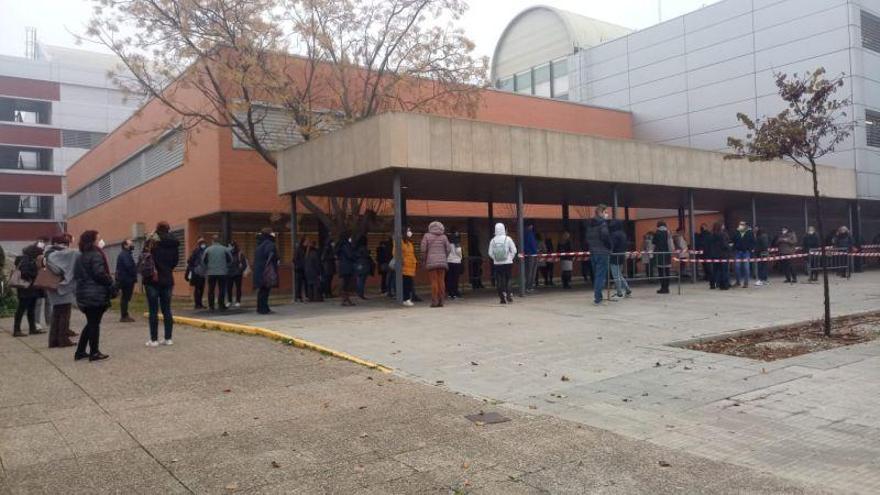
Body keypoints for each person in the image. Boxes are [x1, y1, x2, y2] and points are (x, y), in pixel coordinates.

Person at [73, 231, 112, 361]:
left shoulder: (80, 256)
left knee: (91, 323)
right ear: (93, 240)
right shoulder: (96, 255)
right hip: (95, 294)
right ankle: (94, 352)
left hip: (83, 293)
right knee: (94, 324)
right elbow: (99, 274)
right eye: (98, 237)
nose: (100, 239)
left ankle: (80, 351)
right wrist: (110, 280)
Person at [143, 222, 180, 346]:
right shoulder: (174, 243)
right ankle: (168, 338)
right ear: (168, 230)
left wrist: (151, 235)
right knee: (167, 310)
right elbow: (175, 261)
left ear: (157, 229)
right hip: (167, 279)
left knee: (153, 310)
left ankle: (154, 340)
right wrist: (167, 269)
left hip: (152, 280)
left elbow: (144, 257)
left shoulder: (151, 241)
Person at [44, 234, 79, 347]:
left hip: (53, 286)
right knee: (64, 314)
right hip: (61, 287)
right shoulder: (56, 254)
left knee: (57, 314)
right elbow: (75, 254)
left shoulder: (48, 252)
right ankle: (63, 340)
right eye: (64, 243)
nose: (65, 246)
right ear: (56, 243)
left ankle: (53, 340)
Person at [12, 244, 43, 337]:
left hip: (29, 289)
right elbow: (25, 272)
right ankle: (17, 330)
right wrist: (35, 273)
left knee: (31, 309)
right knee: (21, 309)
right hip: (26, 288)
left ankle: (32, 328)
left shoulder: (26, 259)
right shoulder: (26, 260)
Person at [420, 221, 452, 308]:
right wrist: (443, 256)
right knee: (441, 281)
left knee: (434, 281)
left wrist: (423, 259)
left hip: (431, 262)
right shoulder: (444, 237)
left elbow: (423, 249)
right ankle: (441, 300)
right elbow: (449, 249)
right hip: (442, 262)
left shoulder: (426, 236)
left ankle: (434, 301)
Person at [585, 205, 612, 305]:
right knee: (600, 276)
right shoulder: (602, 224)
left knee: (597, 275)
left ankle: (598, 296)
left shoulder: (590, 225)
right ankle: (598, 298)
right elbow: (605, 237)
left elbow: (587, 238)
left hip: (593, 252)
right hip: (602, 252)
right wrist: (609, 247)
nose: (607, 214)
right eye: (606, 212)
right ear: (601, 212)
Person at [488, 223, 517, 305]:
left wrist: (495, 258)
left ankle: (502, 298)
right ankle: (509, 294)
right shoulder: (508, 239)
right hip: (508, 262)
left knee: (499, 280)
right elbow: (514, 250)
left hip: (497, 263)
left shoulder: (493, 240)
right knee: (508, 278)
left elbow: (490, 253)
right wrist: (510, 257)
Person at [253, 228, 279, 314]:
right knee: (265, 290)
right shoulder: (269, 244)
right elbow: (270, 254)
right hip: (266, 270)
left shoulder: (259, 244)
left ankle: (261, 308)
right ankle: (263, 309)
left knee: (262, 290)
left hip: (259, 270)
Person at [203, 235, 231, 311]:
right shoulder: (225, 249)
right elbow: (230, 260)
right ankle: (221, 305)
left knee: (211, 289)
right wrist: (225, 267)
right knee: (222, 289)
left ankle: (211, 306)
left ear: (212, 241)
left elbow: (204, 261)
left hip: (211, 272)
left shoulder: (208, 250)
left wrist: (208, 268)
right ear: (219, 241)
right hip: (222, 272)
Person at [115, 239, 137, 322]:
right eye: (130, 244)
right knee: (125, 298)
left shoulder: (126, 254)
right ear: (125, 246)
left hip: (125, 279)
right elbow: (129, 266)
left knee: (125, 298)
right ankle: (124, 316)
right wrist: (134, 271)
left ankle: (124, 315)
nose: (132, 245)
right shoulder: (125, 254)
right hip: (126, 280)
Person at [609, 221, 632, 298]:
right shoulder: (623, 234)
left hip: (614, 256)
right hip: (621, 255)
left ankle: (619, 292)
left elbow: (612, 245)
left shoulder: (613, 235)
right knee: (619, 275)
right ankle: (627, 289)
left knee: (616, 275)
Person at [653, 221, 675, 294]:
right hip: (667, 254)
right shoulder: (668, 233)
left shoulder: (657, 233)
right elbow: (671, 244)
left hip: (659, 254)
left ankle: (663, 288)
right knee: (667, 271)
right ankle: (667, 288)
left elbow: (654, 244)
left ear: (658, 226)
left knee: (661, 272)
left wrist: (652, 253)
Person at [335, 232, 357, 306]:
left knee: (345, 283)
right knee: (346, 283)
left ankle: (345, 299)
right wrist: (355, 256)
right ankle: (345, 299)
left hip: (343, 266)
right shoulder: (346, 245)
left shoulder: (340, 244)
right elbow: (350, 255)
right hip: (347, 266)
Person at [185, 238, 207, 309]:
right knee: (197, 288)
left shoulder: (205, 251)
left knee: (201, 288)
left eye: (204, 242)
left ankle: (200, 303)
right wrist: (194, 268)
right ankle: (197, 304)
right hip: (197, 272)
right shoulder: (196, 251)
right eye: (202, 243)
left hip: (202, 273)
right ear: (199, 244)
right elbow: (189, 261)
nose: (203, 244)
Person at [708, 223, 731, 290]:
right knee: (724, 270)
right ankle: (724, 285)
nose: (724, 226)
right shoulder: (723, 234)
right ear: (721, 227)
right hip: (723, 255)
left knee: (715, 270)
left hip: (714, 255)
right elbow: (725, 245)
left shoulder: (711, 235)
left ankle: (712, 284)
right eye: (723, 225)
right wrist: (730, 247)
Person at [732, 221, 755, 288]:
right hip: (737, 252)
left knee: (746, 268)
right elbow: (733, 240)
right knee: (737, 267)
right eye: (740, 224)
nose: (741, 226)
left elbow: (753, 242)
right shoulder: (736, 232)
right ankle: (738, 282)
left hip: (746, 252)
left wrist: (749, 249)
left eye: (742, 225)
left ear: (745, 226)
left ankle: (746, 283)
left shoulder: (749, 233)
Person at [399, 227, 418, 306]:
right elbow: (397, 253)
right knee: (405, 284)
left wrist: (415, 261)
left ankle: (407, 298)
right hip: (404, 266)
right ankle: (405, 299)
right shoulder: (400, 242)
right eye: (408, 231)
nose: (410, 232)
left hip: (411, 267)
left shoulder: (409, 243)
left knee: (408, 284)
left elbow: (412, 254)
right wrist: (403, 261)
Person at [226, 240, 248, 308]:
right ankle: (229, 301)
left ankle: (238, 301)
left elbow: (244, 264)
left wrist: (240, 270)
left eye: (230, 246)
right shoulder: (227, 254)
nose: (229, 247)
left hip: (237, 274)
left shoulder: (240, 253)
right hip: (229, 273)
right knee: (229, 288)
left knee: (238, 288)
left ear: (234, 246)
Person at [445, 231, 464, 299]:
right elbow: (458, 252)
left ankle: (450, 293)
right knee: (455, 279)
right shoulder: (457, 243)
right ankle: (455, 292)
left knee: (449, 278)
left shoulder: (448, 244)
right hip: (456, 262)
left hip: (449, 261)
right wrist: (461, 257)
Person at [523, 223, 539, 293]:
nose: (531, 226)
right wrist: (533, 251)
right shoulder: (526, 233)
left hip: (533, 254)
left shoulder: (531, 233)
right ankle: (528, 287)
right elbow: (528, 244)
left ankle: (530, 286)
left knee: (532, 271)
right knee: (530, 271)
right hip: (530, 254)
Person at [293, 238, 307, 303]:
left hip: (303, 268)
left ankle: (302, 296)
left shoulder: (305, 249)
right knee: (298, 283)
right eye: (306, 241)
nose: (307, 242)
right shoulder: (299, 250)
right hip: (299, 268)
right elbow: (295, 259)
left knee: (303, 283)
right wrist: (300, 265)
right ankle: (298, 297)